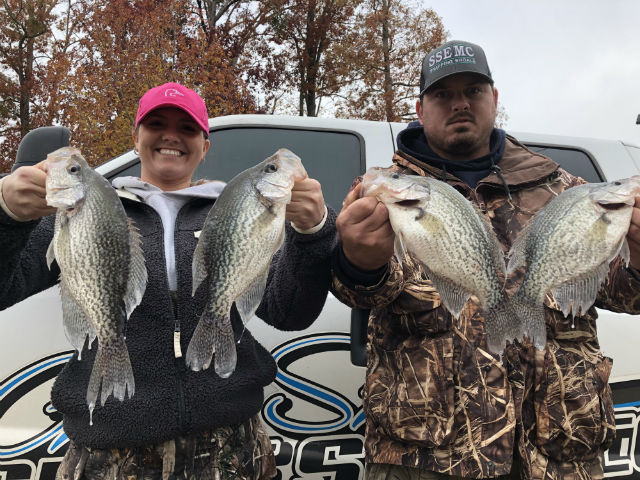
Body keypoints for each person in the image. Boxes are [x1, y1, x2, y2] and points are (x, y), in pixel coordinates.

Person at [330, 40, 640, 480]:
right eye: (442, 95)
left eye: (473, 90)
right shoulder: (381, 188)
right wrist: (360, 263)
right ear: (420, 109)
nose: (459, 103)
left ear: (494, 100)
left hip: (555, 453)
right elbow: (362, 290)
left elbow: (622, 292)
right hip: (428, 457)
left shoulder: (566, 190)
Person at [0, 82, 337, 479]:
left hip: (235, 450)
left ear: (205, 145)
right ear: (136, 137)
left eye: (188, 128)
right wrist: (7, 216)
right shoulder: (92, 207)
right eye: (156, 123)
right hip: (107, 452)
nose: (171, 136)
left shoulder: (234, 212)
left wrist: (313, 232)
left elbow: (289, 312)